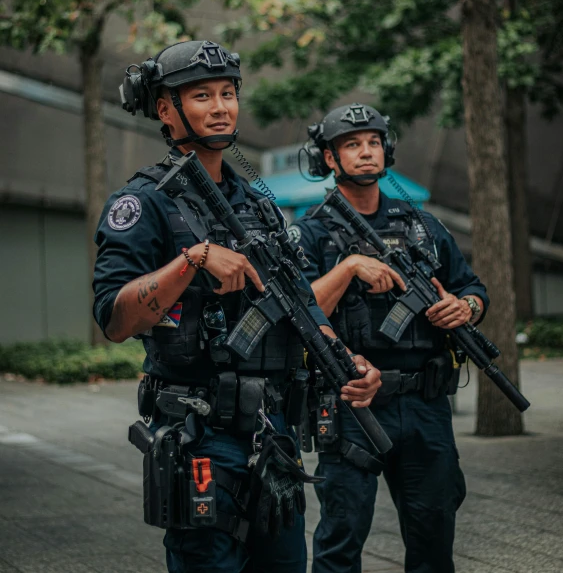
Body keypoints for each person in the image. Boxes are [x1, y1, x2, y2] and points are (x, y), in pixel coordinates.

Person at [92, 42, 381, 573]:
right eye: (202, 95)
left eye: (229, 93)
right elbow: (113, 318)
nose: (221, 107)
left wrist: (347, 361)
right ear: (164, 109)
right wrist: (192, 261)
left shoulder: (259, 206)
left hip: (274, 434)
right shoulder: (144, 202)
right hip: (202, 433)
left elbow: (299, 302)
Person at [289, 103, 490, 573]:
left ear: (387, 150)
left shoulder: (423, 226)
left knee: (434, 537)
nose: (365, 152)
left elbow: (472, 287)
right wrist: (348, 268)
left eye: (374, 142)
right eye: (352, 145)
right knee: (341, 539)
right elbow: (298, 308)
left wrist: (467, 308)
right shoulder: (310, 233)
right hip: (352, 404)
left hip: (425, 404)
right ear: (330, 159)